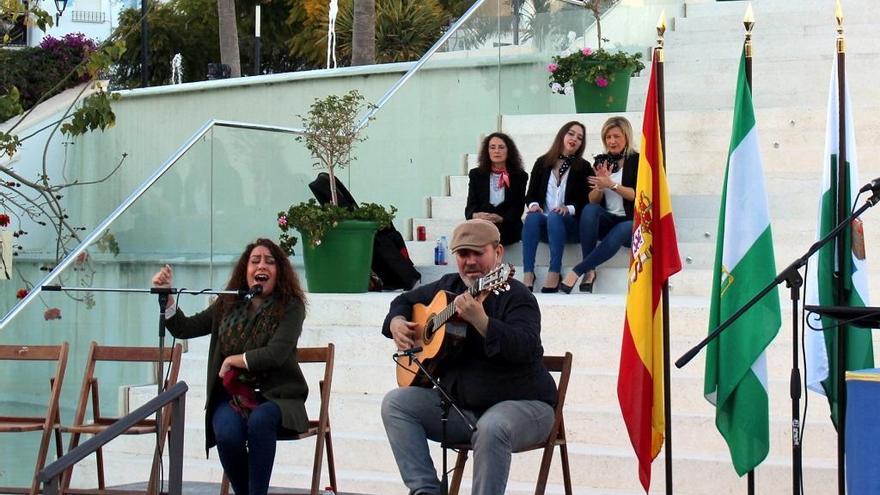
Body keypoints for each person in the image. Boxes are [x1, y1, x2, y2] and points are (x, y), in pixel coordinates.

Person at [381, 219, 557, 495]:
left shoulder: (517, 296)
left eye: (478, 253)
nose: (470, 261)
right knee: (397, 403)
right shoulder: (447, 286)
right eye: (464, 254)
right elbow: (402, 302)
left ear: (498, 254)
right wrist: (396, 322)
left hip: (525, 407)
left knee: (492, 426)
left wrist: (483, 322)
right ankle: (426, 490)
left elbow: (525, 346)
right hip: (463, 410)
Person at [151, 238, 309, 495]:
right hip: (232, 396)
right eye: (255, 261)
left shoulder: (291, 306)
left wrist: (234, 359)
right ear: (244, 270)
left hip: (277, 398)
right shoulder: (227, 304)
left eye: (270, 261)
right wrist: (167, 298)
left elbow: (277, 353)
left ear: (279, 272)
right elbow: (184, 328)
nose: (262, 266)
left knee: (260, 420)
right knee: (226, 433)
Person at [561, 116, 639, 293]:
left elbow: (636, 195)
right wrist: (600, 186)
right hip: (608, 221)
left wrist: (611, 184)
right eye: (608, 137)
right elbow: (593, 200)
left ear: (626, 136)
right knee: (590, 209)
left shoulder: (637, 161)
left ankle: (579, 270)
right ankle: (590, 270)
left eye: (616, 136)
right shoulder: (601, 161)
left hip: (631, 223)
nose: (611, 141)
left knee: (624, 227)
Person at [521, 121, 592, 292]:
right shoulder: (542, 162)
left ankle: (554, 272)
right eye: (571, 133)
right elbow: (530, 194)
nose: (574, 139)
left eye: (579, 137)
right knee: (532, 217)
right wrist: (534, 205)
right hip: (545, 225)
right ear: (562, 135)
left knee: (554, 215)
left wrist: (569, 208)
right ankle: (528, 273)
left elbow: (586, 201)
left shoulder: (583, 167)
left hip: (569, 225)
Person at [465, 132, 528, 246]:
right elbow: (470, 206)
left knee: (493, 233)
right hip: (482, 223)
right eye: (492, 147)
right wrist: (476, 215)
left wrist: (501, 218)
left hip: (507, 225)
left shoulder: (519, 176)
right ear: (487, 151)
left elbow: (518, 208)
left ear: (508, 151)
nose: (496, 151)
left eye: (501, 147)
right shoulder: (476, 174)